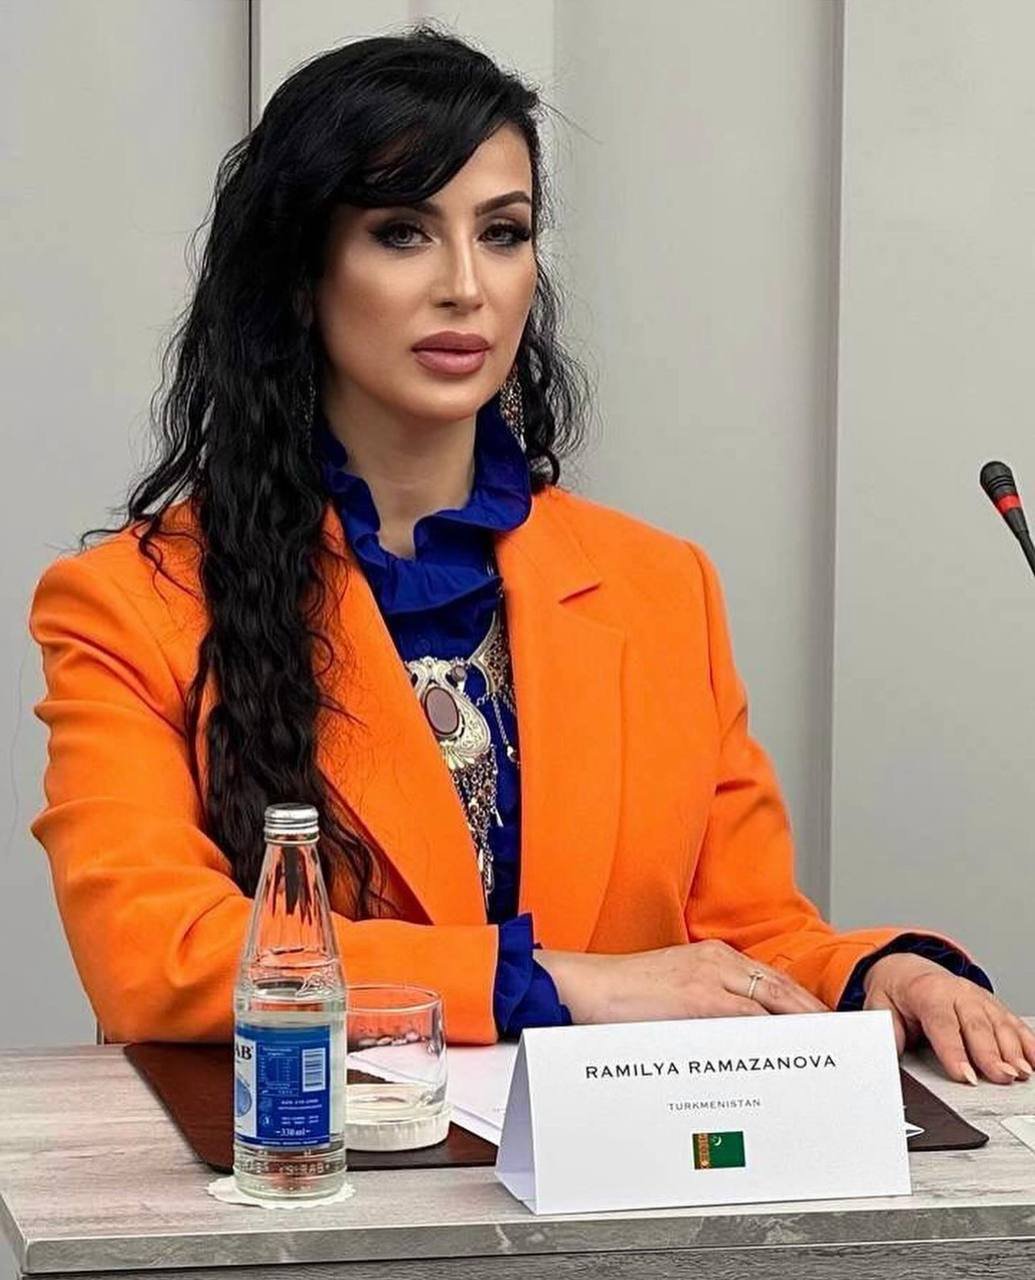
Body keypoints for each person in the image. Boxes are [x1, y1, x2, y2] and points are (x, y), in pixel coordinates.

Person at [28, 26, 1033, 1087]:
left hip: (618, 1172)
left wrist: (879, 970)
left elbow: (745, 936)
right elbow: (154, 954)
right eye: (402, 233)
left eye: (502, 233)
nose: (466, 284)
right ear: (300, 270)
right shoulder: (127, 603)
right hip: (309, 1161)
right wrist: (554, 983)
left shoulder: (662, 588)